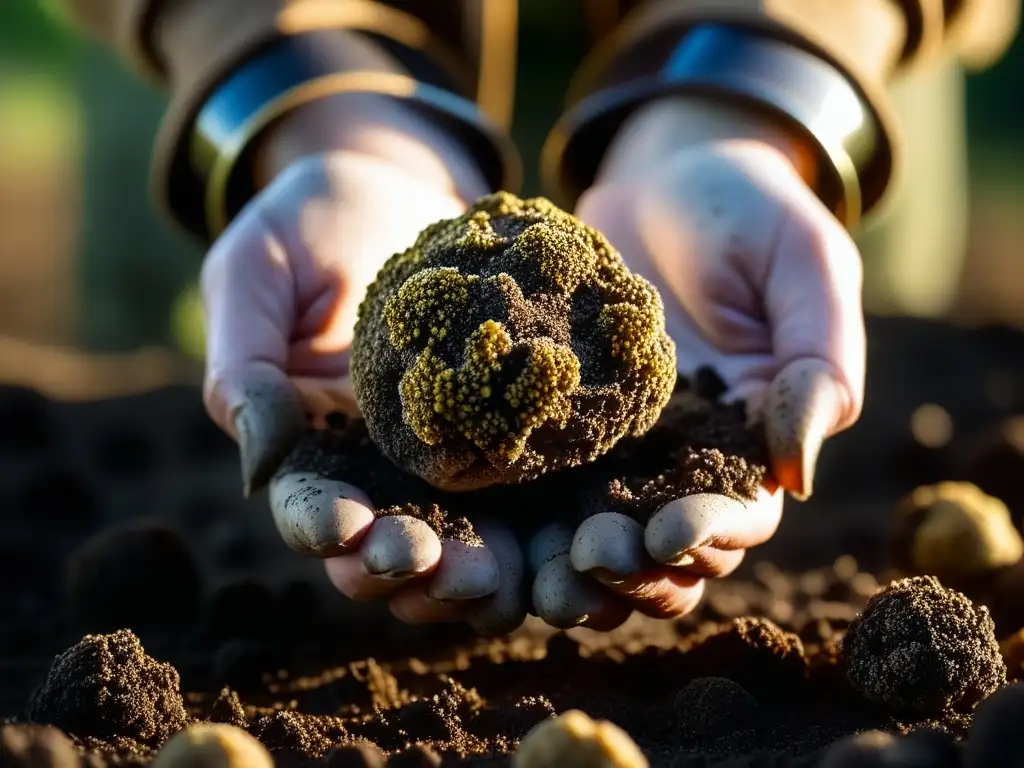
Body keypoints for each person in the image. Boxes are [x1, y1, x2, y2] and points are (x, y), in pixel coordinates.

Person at [60, 0, 1018, 634]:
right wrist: (307, 98)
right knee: (152, 387)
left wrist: (752, 87)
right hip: (229, 42)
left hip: (815, 35)